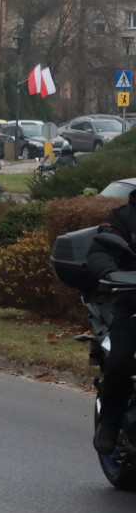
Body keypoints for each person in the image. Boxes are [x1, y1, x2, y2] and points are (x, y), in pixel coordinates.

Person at [86, 192, 136, 454]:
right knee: (122, 360)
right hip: (132, 302)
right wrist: (109, 272)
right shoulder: (122, 218)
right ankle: (110, 423)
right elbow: (100, 250)